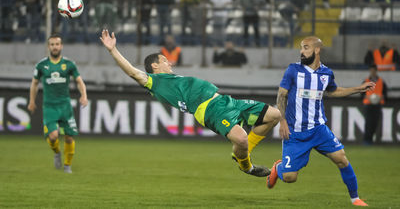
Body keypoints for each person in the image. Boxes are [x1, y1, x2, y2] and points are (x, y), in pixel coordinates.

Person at [100, 29, 281, 177]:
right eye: (164, 60)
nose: (169, 62)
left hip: (226, 101)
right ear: (155, 66)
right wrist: (112, 50)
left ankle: (242, 153)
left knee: (274, 116)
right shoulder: (155, 82)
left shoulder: (172, 78)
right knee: (241, 139)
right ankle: (246, 166)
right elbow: (133, 72)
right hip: (210, 110)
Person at [268, 36, 374, 207]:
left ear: (317, 50)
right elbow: (282, 95)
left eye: (306, 47)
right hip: (295, 132)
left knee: (341, 158)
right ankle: (278, 168)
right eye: (301, 48)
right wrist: (282, 121)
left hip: (319, 129)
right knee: (289, 178)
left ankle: (355, 199)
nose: (302, 51)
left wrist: (357, 89)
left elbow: (332, 91)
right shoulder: (293, 70)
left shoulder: (326, 73)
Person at [28, 34, 88, 173]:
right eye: (52, 44)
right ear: (48, 47)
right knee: (53, 135)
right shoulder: (42, 65)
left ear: (61, 46)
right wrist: (31, 101)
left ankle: (67, 165)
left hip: (65, 105)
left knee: (69, 137)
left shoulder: (69, 64)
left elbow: (79, 81)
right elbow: (34, 84)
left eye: (57, 44)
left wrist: (84, 95)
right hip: (49, 105)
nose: (55, 47)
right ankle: (56, 152)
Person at [361, 64, 387, 145]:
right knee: (368, 123)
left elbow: (385, 94)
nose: (372, 72)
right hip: (368, 105)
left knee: (375, 123)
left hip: (377, 105)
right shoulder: (366, 81)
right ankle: (367, 140)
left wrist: (380, 98)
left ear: (376, 71)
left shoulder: (381, 82)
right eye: (371, 70)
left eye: (373, 70)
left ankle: (372, 139)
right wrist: (368, 98)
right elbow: (361, 94)